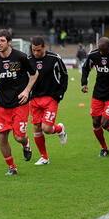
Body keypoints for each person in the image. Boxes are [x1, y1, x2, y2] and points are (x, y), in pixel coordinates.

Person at [0, 29, 39, 175]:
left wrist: (27, 91)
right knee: (2, 137)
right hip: (2, 103)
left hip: (20, 102)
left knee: (18, 136)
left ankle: (26, 143)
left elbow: (34, 74)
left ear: (9, 42)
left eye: (2, 41)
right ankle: (12, 167)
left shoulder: (20, 57)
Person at [28, 36, 68, 165]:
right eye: (33, 50)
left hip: (51, 97)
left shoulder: (54, 58)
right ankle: (44, 157)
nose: (36, 53)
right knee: (36, 128)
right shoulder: (28, 60)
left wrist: (60, 93)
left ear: (44, 47)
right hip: (35, 98)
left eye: (38, 50)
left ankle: (59, 129)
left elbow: (64, 75)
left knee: (46, 128)